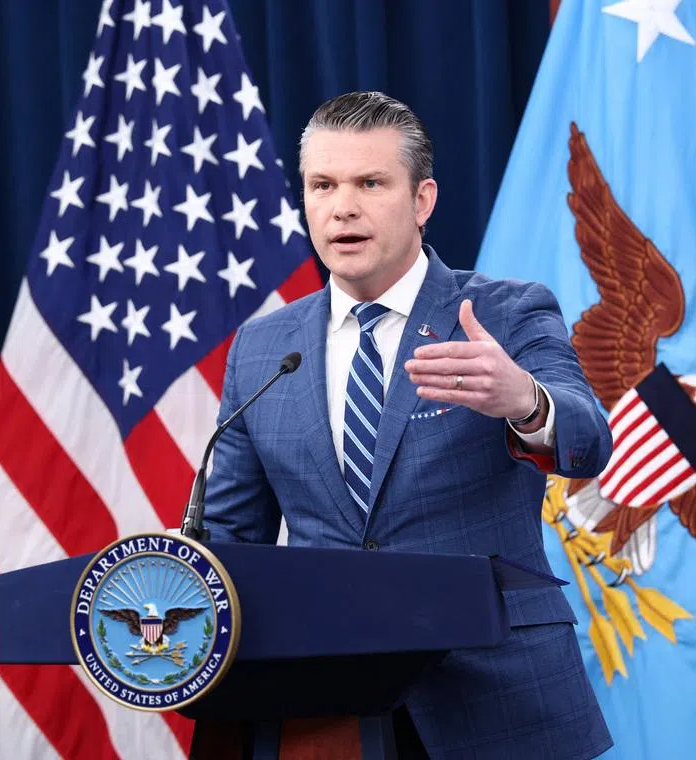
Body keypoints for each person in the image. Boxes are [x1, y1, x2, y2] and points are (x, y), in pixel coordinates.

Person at [203, 91, 614, 759]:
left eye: (370, 183)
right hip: (324, 707)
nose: (343, 207)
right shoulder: (262, 349)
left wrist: (523, 399)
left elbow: (589, 440)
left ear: (422, 200)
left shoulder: (504, 314)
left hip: (495, 697)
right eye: (323, 185)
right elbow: (229, 540)